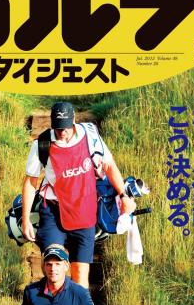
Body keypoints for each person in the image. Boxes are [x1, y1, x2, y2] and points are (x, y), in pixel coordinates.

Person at [21, 101, 136, 288]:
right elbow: (30, 182)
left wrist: (123, 195)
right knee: (54, 267)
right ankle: (55, 303)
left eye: (65, 127)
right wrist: (26, 219)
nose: (62, 133)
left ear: (74, 120)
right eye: (58, 128)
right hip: (53, 211)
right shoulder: (42, 144)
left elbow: (109, 165)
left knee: (80, 273)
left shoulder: (90, 136)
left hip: (84, 210)